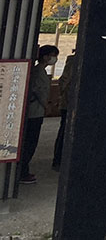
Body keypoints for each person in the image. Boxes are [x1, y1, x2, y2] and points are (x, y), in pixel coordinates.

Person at [20, 45, 58, 185]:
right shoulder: (38, 72)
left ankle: (23, 170)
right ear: (45, 56)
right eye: (53, 55)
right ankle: (22, 172)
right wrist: (47, 106)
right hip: (34, 111)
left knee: (30, 142)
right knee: (30, 142)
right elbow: (38, 93)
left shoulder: (39, 71)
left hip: (37, 111)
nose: (54, 59)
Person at [51, 49, 76, 170]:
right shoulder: (74, 61)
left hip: (68, 101)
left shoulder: (72, 60)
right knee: (65, 131)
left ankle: (60, 159)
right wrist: (62, 96)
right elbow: (64, 81)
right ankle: (59, 160)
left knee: (65, 130)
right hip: (70, 102)